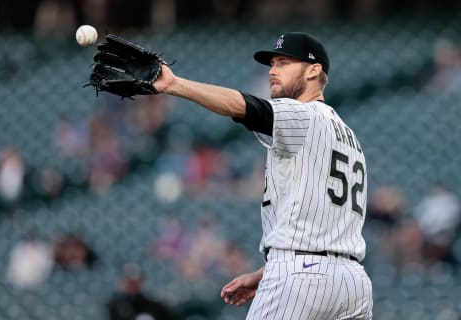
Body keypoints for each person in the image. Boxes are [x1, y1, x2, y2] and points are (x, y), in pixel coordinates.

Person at [155, 31, 373, 319]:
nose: (272, 70)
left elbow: (242, 106)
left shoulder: (304, 115)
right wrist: (264, 273)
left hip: (300, 277)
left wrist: (174, 84)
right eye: (272, 64)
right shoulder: (349, 138)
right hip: (353, 284)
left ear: (313, 70)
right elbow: (321, 232)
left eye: (284, 62)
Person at [107, 263, 178, 320]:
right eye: (129, 282)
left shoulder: (155, 306)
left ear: (141, 282)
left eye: (134, 282)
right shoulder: (115, 306)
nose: (132, 285)